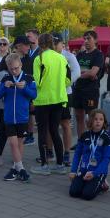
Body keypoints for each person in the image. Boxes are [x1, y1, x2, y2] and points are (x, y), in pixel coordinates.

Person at [30, 33, 71, 175]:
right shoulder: (61, 58)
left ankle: (44, 165)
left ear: (40, 44)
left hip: (43, 100)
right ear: (52, 43)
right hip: (59, 99)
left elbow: (37, 81)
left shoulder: (39, 58)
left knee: (42, 131)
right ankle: (60, 164)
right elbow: (68, 79)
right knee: (55, 131)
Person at [0, 53, 37, 182]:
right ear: (8, 67)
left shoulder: (29, 78)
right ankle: (22, 170)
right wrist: (4, 87)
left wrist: (25, 88)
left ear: (21, 65)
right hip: (9, 117)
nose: (14, 71)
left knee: (19, 144)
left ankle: (15, 169)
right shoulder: (5, 78)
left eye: (16, 68)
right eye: (11, 69)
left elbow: (34, 95)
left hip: (22, 117)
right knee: (13, 143)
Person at [69, 109, 110, 200]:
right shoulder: (85, 135)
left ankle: (102, 183)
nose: (98, 121)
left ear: (104, 122)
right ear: (91, 121)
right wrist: (73, 171)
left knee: (87, 195)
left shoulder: (107, 138)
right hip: (84, 170)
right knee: (74, 192)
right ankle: (88, 183)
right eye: (95, 119)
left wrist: (94, 173)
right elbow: (77, 154)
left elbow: (107, 159)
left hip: (98, 172)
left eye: (101, 119)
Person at [72, 30, 104, 138]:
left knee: (92, 117)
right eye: (84, 39)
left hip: (90, 90)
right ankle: (82, 141)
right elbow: (73, 70)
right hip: (78, 89)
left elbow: (93, 72)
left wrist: (79, 74)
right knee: (79, 117)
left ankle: (93, 140)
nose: (86, 41)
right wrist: (86, 72)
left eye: (89, 38)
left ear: (95, 40)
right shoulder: (80, 55)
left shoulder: (98, 55)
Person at [57, 35, 81, 165]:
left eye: (57, 42)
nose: (55, 45)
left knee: (65, 123)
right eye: (53, 42)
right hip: (51, 95)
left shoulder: (69, 56)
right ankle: (49, 152)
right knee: (50, 125)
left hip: (65, 93)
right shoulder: (47, 55)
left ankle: (66, 153)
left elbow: (76, 72)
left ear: (62, 43)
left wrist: (64, 83)